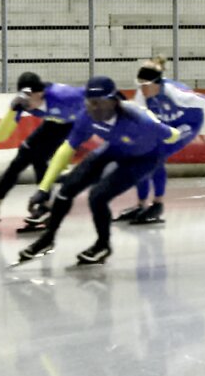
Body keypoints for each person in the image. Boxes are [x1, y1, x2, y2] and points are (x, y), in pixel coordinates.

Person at [15, 76, 167, 272]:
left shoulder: (138, 120)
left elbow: (171, 136)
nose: (93, 108)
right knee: (66, 190)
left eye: (98, 102)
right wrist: (44, 188)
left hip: (144, 158)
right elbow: (66, 150)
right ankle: (47, 239)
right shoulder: (86, 116)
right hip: (114, 148)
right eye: (89, 102)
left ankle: (103, 245)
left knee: (97, 197)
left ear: (113, 102)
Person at [0, 71, 87, 228]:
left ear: (40, 93)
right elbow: (0, 136)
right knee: (18, 162)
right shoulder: (22, 103)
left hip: (74, 125)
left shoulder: (63, 95)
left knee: (39, 158)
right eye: (23, 96)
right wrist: (12, 111)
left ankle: (46, 206)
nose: (26, 103)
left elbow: (95, 94)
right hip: (52, 123)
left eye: (29, 98)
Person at [123, 63, 205, 222]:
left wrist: (192, 99)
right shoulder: (142, 95)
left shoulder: (174, 92)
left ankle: (157, 203)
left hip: (188, 124)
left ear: (157, 83)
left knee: (156, 156)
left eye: (145, 85)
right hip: (165, 123)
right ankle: (141, 205)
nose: (142, 89)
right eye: (139, 84)